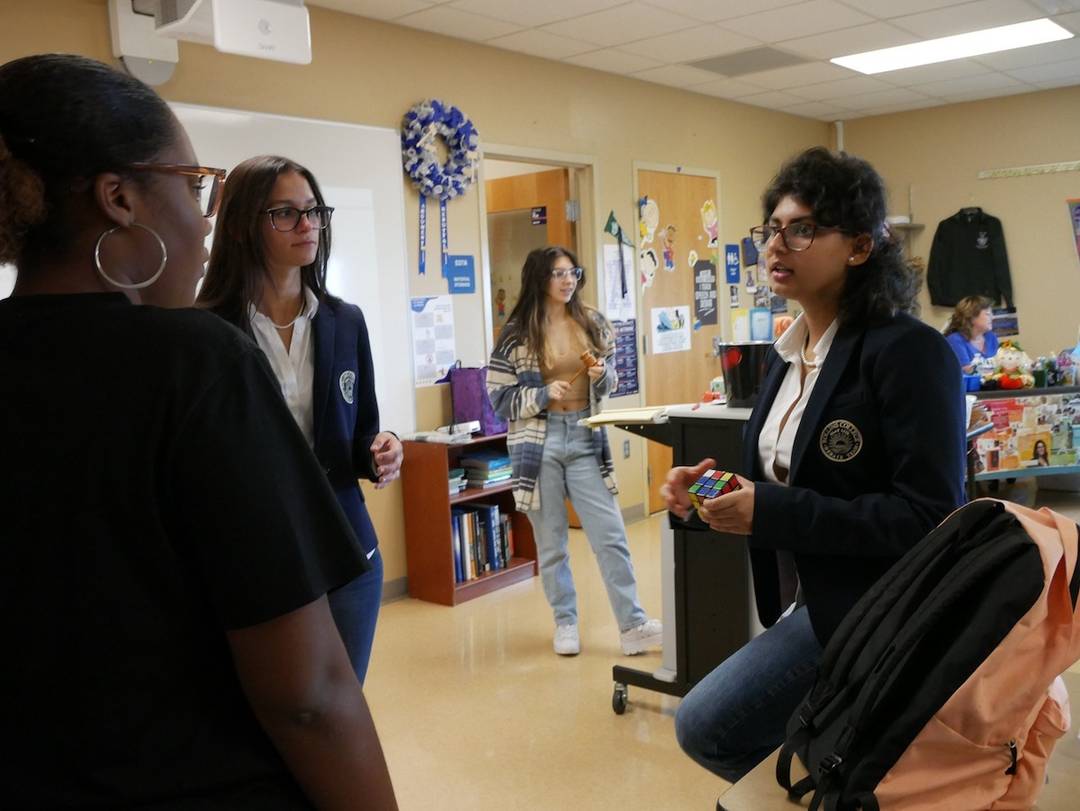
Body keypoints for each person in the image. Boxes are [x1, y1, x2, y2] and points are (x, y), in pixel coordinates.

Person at [0, 54, 397, 809]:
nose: (203, 216)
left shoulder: (337, 323)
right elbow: (307, 695)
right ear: (118, 197)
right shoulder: (195, 358)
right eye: (193, 186)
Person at [663, 147, 965, 782]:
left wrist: (768, 511)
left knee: (706, 727)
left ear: (858, 248)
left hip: (878, 606)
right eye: (771, 228)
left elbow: (929, 517)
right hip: (810, 599)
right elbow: (788, 482)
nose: (777, 244)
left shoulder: (909, 353)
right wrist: (705, 499)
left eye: (801, 228)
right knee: (802, 747)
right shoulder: (785, 355)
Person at [197, 155, 402, 684]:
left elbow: (361, 434)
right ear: (244, 224)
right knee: (281, 713)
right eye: (285, 213)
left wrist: (382, 448)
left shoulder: (343, 321)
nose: (307, 225)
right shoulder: (208, 330)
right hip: (258, 556)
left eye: (313, 211)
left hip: (348, 549)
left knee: (342, 702)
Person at [488, 246, 661, 656]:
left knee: (610, 535)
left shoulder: (593, 323)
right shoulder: (515, 334)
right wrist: (541, 394)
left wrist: (602, 376)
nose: (568, 281)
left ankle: (633, 625)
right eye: (558, 274)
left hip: (585, 437)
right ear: (538, 278)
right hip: (538, 444)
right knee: (551, 545)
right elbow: (498, 398)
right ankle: (565, 622)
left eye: (573, 273)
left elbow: (612, 381)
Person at [944, 294, 998, 372]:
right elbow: (967, 371)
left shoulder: (991, 336)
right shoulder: (955, 340)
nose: (993, 318)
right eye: (988, 314)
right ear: (971, 317)